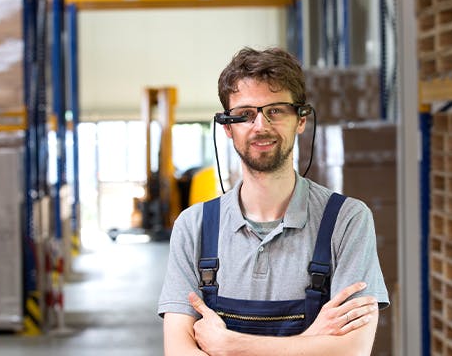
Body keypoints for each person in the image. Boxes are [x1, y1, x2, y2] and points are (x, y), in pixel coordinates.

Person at [158, 47, 390, 355]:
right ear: (227, 127)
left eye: (276, 110)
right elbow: (179, 351)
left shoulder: (347, 220)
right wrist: (310, 344)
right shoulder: (193, 227)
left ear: (302, 119)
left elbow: (351, 351)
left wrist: (231, 345)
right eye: (245, 114)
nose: (260, 126)